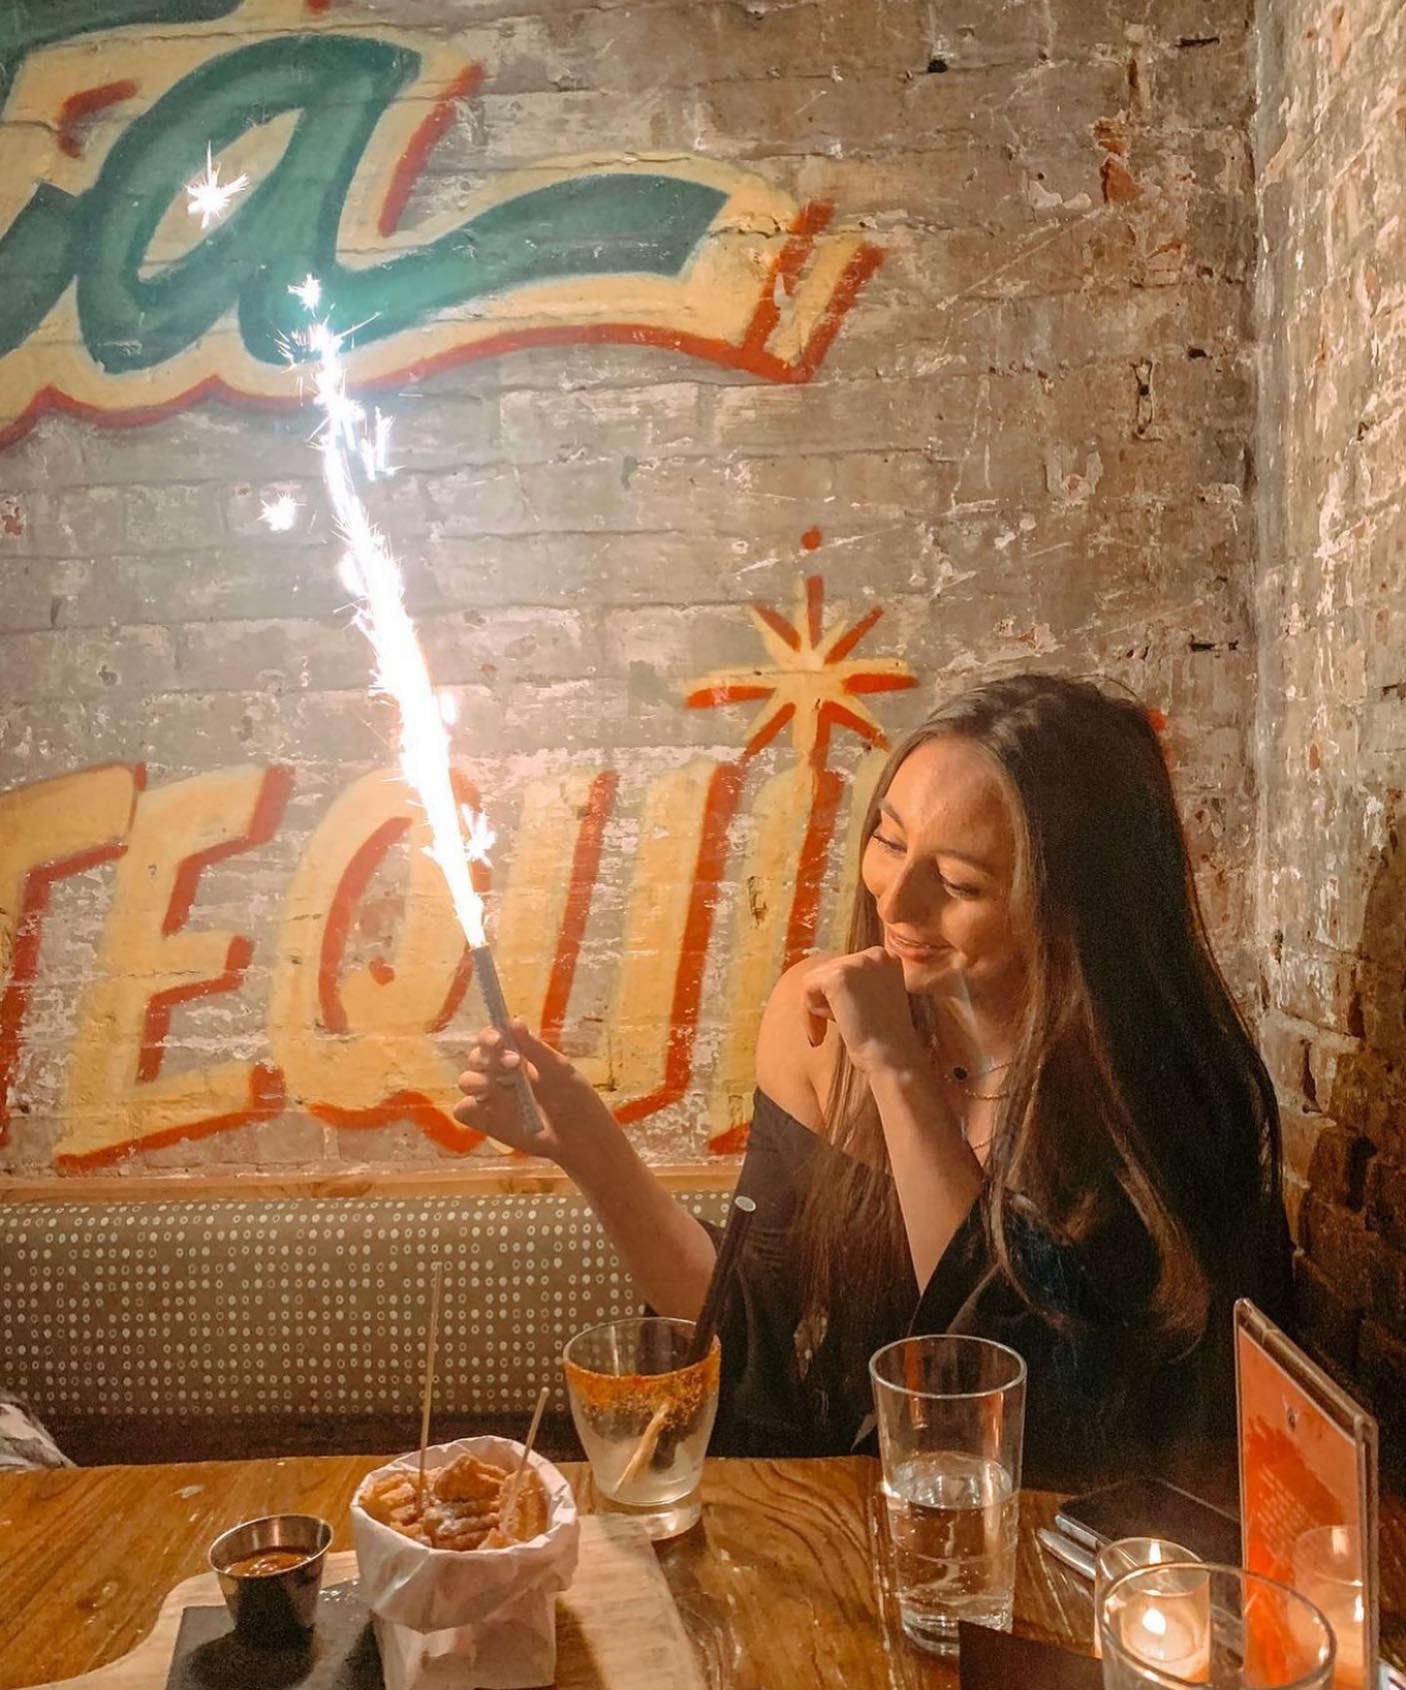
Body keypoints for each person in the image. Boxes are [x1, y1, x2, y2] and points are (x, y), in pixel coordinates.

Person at [454, 673, 1291, 1490]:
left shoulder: (1153, 1088)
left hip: (1053, 1533)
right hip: (846, 1516)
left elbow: (1014, 1394)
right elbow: (747, 1325)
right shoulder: (816, 1021)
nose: (894, 902)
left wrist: (895, 1068)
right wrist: (590, 1147)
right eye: (889, 842)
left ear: (1075, 908)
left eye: (959, 883)